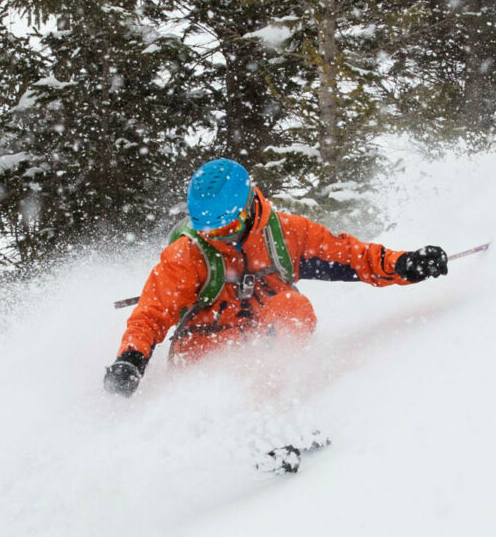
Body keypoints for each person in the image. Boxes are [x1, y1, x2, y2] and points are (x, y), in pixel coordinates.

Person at [104, 158, 449, 397]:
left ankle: (275, 404)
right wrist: (131, 360)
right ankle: (207, 427)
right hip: (203, 345)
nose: (221, 239)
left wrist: (406, 264)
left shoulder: (285, 235)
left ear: (250, 207)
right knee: (207, 367)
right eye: (211, 232)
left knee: (293, 306)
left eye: (230, 229)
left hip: (264, 344)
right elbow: (152, 311)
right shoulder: (187, 253)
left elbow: (351, 256)